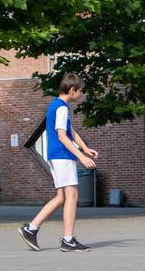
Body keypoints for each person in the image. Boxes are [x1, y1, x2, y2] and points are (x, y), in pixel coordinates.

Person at [19, 73, 98, 252]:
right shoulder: (61, 107)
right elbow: (62, 136)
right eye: (80, 91)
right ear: (72, 90)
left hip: (57, 155)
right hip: (62, 156)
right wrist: (81, 156)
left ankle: (30, 228)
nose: (81, 94)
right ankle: (68, 240)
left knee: (62, 197)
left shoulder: (56, 105)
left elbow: (70, 130)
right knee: (72, 196)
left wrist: (85, 148)